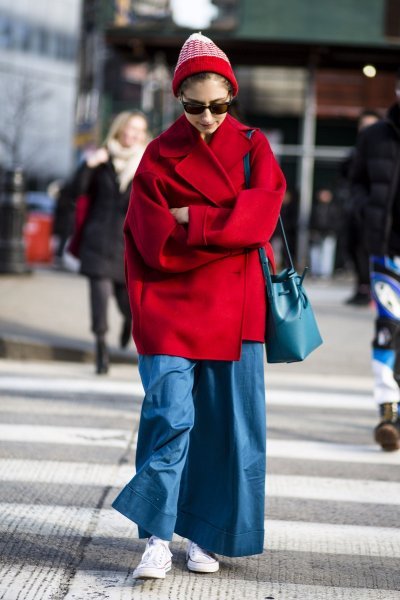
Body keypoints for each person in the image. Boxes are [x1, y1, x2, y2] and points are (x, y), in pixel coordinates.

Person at [112, 33, 285, 579]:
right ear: (177, 98)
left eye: (218, 105)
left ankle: (203, 536)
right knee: (169, 417)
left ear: (231, 97)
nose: (208, 117)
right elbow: (150, 234)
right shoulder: (159, 153)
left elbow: (260, 219)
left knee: (226, 430)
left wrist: (197, 219)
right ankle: (158, 538)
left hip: (235, 312)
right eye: (195, 106)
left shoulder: (254, 145)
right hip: (169, 307)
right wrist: (222, 227)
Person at [70, 110, 150, 374]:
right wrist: (89, 164)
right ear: (118, 129)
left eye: (137, 130)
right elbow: (75, 191)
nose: (131, 134)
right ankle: (101, 348)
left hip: (128, 245)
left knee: (126, 302)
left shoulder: (147, 163)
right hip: (97, 240)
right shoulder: (102, 158)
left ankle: (129, 320)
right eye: (128, 128)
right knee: (99, 297)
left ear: (143, 135)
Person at [350, 70, 400, 451]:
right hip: (386, 250)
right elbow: (357, 183)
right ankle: (388, 409)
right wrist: (366, 215)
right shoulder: (374, 136)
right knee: (388, 328)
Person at [340, 110, 380, 305]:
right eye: (363, 126)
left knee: (370, 252)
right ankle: (362, 288)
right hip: (357, 210)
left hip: (378, 213)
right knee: (354, 249)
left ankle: (371, 290)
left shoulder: (385, 150)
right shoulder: (356, 153)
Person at [309, 188, 340, 278]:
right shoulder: (316, 207)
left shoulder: (334, 208)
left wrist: (332, 230)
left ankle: (325, 273)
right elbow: (312, 220)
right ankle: (315, 271)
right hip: (317, 232)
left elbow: (337, 221)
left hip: (329, 233)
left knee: (327, 252)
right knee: (315, 252)